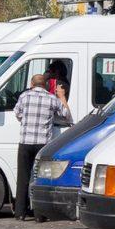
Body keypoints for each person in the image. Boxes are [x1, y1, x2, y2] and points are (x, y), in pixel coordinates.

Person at [12, 74, 68, 220]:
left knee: (23, 177)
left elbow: (17, 114)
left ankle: (20, 213)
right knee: (40, 178)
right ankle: (39, 214)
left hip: (25, 142)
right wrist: (61, 96)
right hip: (43, 145)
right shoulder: (51, 98)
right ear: (45, 84)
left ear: (32, 83)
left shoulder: (24, 96)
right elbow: (66, 115)